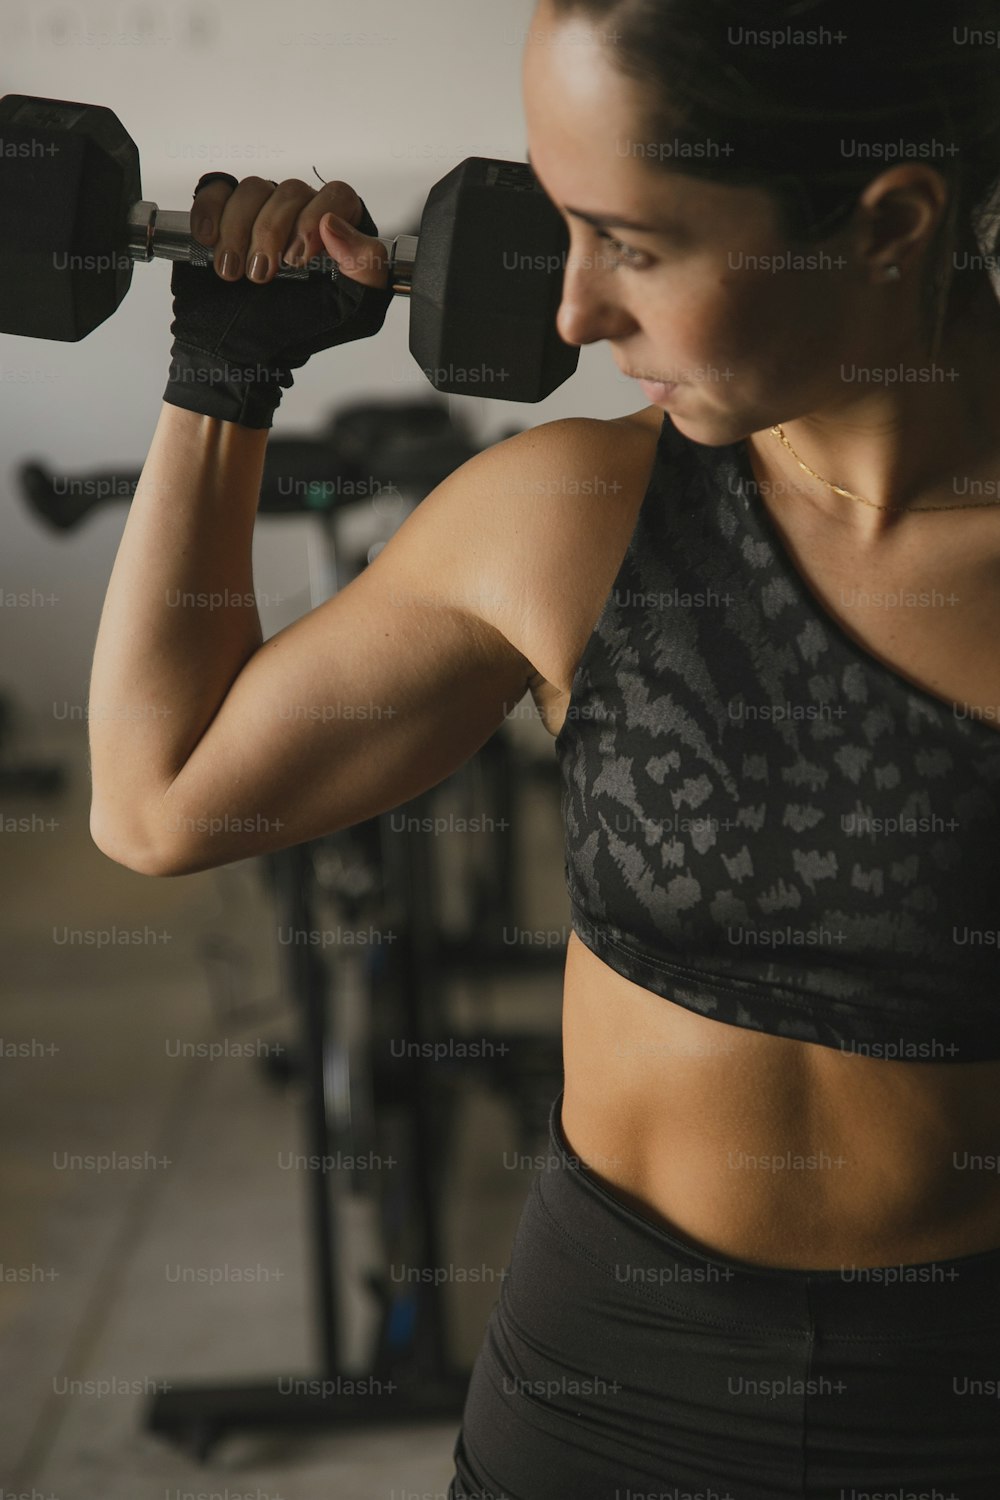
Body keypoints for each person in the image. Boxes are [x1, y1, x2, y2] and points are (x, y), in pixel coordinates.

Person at [88, 0, 1000, 1493]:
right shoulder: (572, 517)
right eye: (562, 225)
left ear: (888, 224)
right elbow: (157, 797)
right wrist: (224, 379)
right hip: (602, 1396)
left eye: (634, 244)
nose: (571, 313)